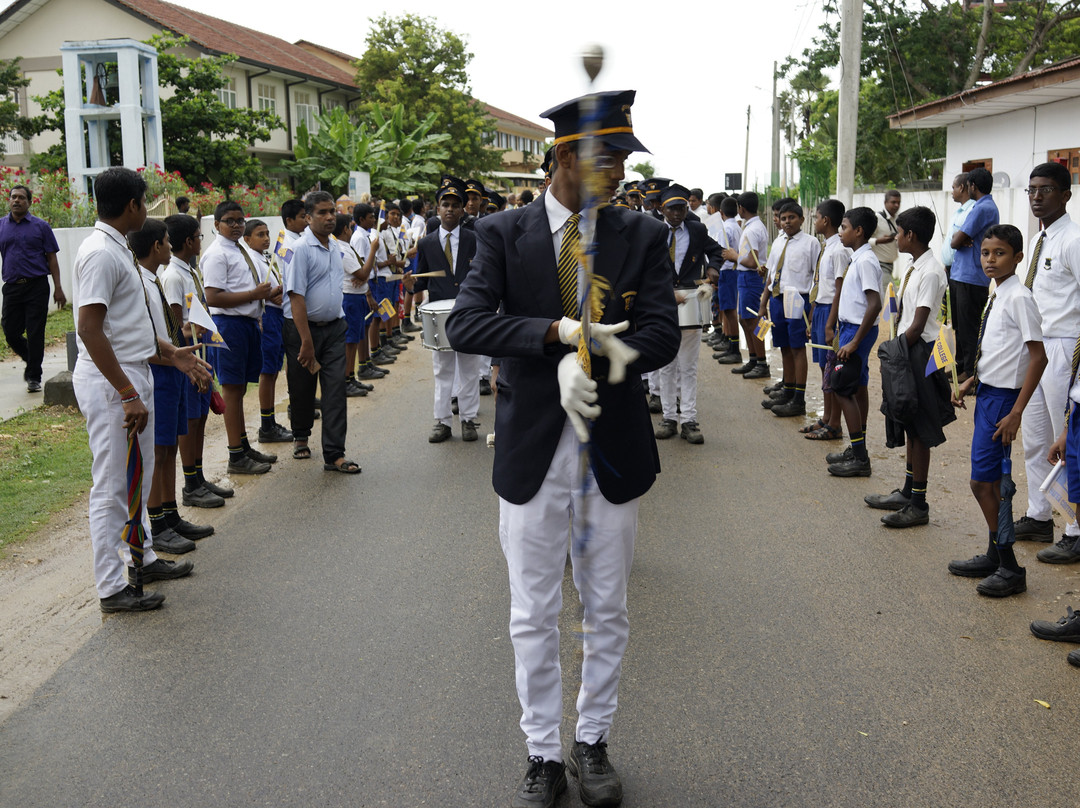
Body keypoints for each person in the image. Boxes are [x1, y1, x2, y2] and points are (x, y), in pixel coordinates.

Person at [445, 89, 680, 808]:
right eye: (601, 157)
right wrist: (555, 335)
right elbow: (468, 325)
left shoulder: (640, 235)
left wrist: (602, 354)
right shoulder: (500, 233)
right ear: (560, 158)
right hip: (534, 448)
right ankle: (543, 752)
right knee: (532, 610)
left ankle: (593, 741)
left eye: (619, 159)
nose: (613, 171)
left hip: (608, 448)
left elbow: (663, 335)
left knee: (606, 607)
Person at [72, 167, 211, 613]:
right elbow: (90, 330)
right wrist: (127, 392)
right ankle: (112, 587)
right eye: (144, 202)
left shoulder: (118, 250)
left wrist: (174, 355)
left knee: (138, 475)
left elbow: (128, 328)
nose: (148, 210)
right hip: (113, 381)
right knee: (112, 485)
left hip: (133, 372)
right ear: (132, 205)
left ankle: (142, 558)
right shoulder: (100, 252)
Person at [947, 224, 1046, 597]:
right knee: (987, 481)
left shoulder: (1019, 297)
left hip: (1004, 402)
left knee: (985, 483)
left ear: (1018, 257)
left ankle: (1010, 566)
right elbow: (1004, 350)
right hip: (989, 392)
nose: (990, 260)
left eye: (1000, 253)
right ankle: (993, 554)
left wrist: (1017, 411)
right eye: (986, 253)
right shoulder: (996, 293)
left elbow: (1038, 357)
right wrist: (973, 379)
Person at [864, 206, 954, 527]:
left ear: (910, 235)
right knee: (909, 426)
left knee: (920, 429)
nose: (895, 238)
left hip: (918, 352)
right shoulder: (915, 265)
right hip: (908, 349)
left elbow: (917, 326)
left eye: (899, 233)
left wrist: (892, 352)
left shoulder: (930, 272)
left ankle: (919, 502)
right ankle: (907, 490)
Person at [130, 217, 213, 553]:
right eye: (166, 242)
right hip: (160, 370)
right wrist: (177, 359)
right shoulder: (141, 282)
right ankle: (157, 521)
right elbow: (143, 338)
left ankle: (170, 514)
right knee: (157, 451)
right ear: (156, 246)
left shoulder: (152, 280)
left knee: (168, 448)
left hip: (173, 366)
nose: (169, 246)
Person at [1012, 162, 1080, 559]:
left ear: (1066, 195)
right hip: (1038, 347)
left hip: (1065, 348)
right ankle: (1039, 516)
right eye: (1032, 189)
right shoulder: (1040, 240)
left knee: (1067, 441)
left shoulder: (1072, 239)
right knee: (1035, 438)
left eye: (1047, 190)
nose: (1037, 196)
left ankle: (1074, 526)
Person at [282, 191, 360, 474]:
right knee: (302, 388)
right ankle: (301, 436)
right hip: (303, 331)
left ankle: (335, 454)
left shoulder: (337, 246)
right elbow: (296, 297)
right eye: (322, 213)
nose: (329, 217)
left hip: (335, 329)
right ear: (308, 217)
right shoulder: (300, 249)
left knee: (336, 390)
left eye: (332, 212)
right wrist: (305, 341)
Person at [160, 213, 232, 508]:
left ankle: (198, 476)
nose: (201, 242)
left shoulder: (188, 271)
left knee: (201, 415)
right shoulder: (173, 276)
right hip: (186, 354)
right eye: (199, 237)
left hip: (199, 351)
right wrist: (191, 330)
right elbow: (174, 326)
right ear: (189, 241)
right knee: (190, 420)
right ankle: (190, 483)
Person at [203, 201, 278, 475]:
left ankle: (243, 445)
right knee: (232, 390)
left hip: (246, 323)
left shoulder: (239, 250)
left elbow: (245, 288)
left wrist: (266, 295)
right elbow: (212, 297)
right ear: (216, 224)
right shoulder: (216, 254)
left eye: (239, 220)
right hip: (228, 324)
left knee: (240, 389)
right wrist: (253, 296)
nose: (235, 225)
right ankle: (235, 455)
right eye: (229, 221)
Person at [414, 177, 483, 443]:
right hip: (440, 314)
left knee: (469, 367)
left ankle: (468, 419)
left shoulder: (474, 239)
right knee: (442, 369)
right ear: (438, 208)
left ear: (463, 208)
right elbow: (420, 281)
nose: (450, 209)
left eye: (455, 204)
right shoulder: (426, 243)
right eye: (445, 204)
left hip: (468, 311)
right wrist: (411, 284)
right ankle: (442, 422)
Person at [654, 183, 722, 444]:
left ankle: (689, 420)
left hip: (691, 305)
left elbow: (716, 251)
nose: (677, 214)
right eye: (672, 209)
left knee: (688, 366)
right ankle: (669, 417)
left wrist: (714, 268)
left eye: (682, 208)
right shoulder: (653, 231)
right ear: (663, 209)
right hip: (662, 304)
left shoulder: (697, 229)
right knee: (666, 364)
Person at [826, 207, 883, 478]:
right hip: (850, 328)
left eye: (844, 227)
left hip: (857, 330)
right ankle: (856, 446)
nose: (840, 232)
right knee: (857, 385)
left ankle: (860, 457)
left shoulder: (866, 261)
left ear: (858, 231)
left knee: (841, 388)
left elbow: (875, 304)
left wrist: (854, 341)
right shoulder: (857, 258)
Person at [0, 184, 66, 392]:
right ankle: (31, 359)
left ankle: (34, 377)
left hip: (37, 286)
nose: (16, 200)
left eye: (21, 197)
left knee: (35, 332)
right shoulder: (1, 226)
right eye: (13, 197)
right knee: (10, 331)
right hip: (11, 287)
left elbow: (52, 258)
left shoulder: (41, 227)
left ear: (29, 202)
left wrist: (58, 287)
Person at [759, 201, 820, 418]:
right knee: (784, 346)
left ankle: (799, 399)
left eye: (791, 218)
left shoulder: (811, 243)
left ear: (802, 219)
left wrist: (811, 309)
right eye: (783, 218)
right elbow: (771, 274)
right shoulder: (778, 242)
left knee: (797, 348)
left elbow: (816, 277)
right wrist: (763, 302)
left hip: (798, 299)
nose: (787, 222)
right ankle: (788, 389)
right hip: (777, 298)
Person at [802, 198, 848, 441]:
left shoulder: (839, 250)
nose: (814, 221)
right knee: (823, 367)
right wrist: (812, 316)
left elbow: (839, 290)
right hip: (820, 310)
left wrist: (830, 324)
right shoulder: (827, 247)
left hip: (831, 311)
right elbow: (820, 284)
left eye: (816, 217)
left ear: (826, 220)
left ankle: (835, 424)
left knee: (832, 369)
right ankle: (827, 417)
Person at [949, 167, 999, 382]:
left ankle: (970, 372)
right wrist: (960, 239)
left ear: (972, 187)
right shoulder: (984, 206)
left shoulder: (982, 208)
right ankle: (962, 366)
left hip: (971, 275)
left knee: (968, 327)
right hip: (963, 274)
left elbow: (956, 241)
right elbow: (960, 238)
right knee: (960, 325)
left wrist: (959, 239)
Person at [724, 191, 770, 380]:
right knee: (745, 320)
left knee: (754, 321)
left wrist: (735, 256)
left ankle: (761, 361)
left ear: (741, 208)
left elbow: (753, 262)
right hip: (746, 278)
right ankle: (753, 358)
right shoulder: (752, 226)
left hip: (751, 278)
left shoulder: (752, 229)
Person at [870, 190, 901, 280]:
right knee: (892, 293)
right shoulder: (877, 219)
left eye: (898, 203)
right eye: (893, 202)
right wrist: (878, 241)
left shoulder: (897, 219)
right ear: (885, 203)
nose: (896, 205)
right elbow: (862, 240)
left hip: (890, 265)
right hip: (879, 264)